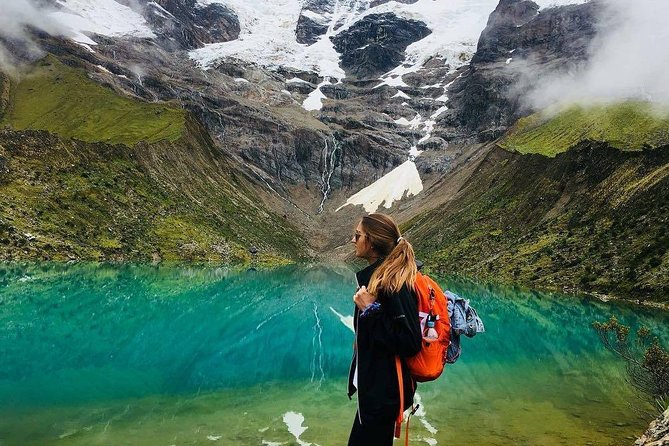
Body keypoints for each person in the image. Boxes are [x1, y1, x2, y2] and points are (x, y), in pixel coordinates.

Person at [347, 213, 422, 446]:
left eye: (357, 236)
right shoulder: (378, 278)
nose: (353, 240)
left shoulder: (392, 283)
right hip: (375, 392)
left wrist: (370, 310)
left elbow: (410, 341)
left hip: (383, 395)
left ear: (372, 242)